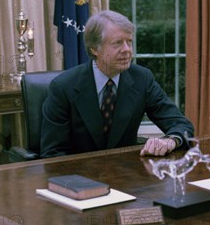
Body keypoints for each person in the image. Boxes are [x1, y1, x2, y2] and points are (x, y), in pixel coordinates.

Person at [40, 10, 194, 158]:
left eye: (129, 42)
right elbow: (53, 153)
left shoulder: (142, 79)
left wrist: (170, 140)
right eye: (117, 43)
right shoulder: (63, 87)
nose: (127, 50)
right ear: (94, 49)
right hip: (79, 178)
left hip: (126, 175)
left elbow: (181, 124)